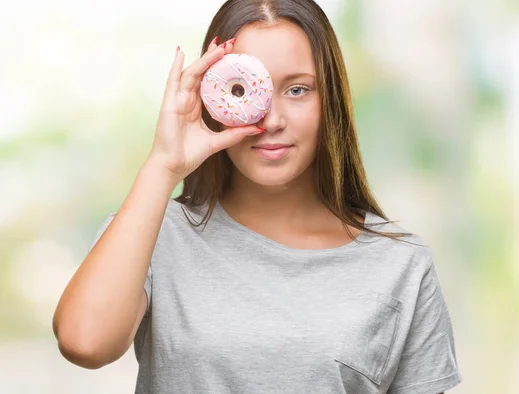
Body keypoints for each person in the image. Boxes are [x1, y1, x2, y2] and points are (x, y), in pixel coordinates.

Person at [52, 0, 462, 393]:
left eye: (298, 90)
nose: (272, 120)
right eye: (243, 89)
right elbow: (85, 343)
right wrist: (164, 164)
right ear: (211, 97)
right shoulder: (152, 235)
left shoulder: (400, 264)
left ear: (330, 100)